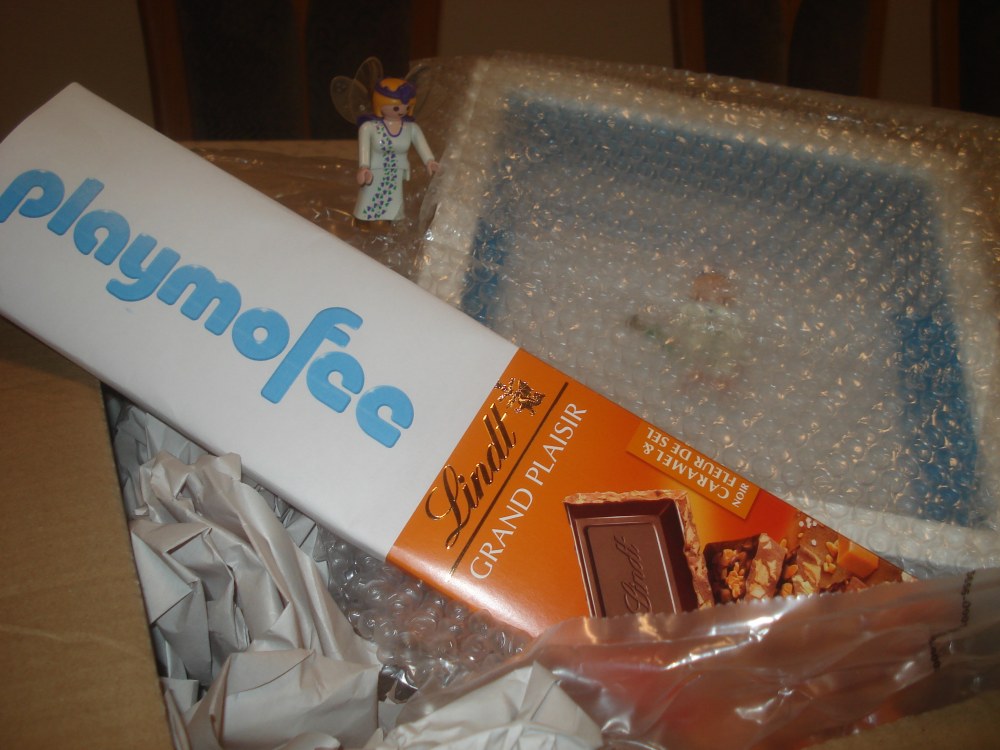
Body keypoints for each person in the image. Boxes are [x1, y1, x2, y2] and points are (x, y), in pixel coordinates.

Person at [354, 77, 439, 222]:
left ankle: (391, 223)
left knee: (394, 201)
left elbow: (422, 146)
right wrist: (364, 167)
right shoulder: (369, 127)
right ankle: (364, 223)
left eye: (407, 107)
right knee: (369, 199)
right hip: (374, 172)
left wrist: (430, 161)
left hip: (396, 172)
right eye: (396, 108)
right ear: (380, 104)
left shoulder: (411, 128)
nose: (402, 111)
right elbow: (364, 150)